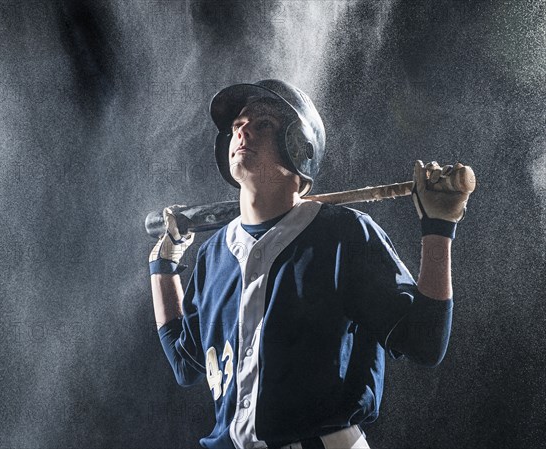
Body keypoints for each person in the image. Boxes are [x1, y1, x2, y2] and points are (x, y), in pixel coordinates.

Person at [149, 79, 470, 449]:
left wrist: (438, 229)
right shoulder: (213, 255)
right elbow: (185, 363)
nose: (243, 131)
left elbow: (426, 343)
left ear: (299, 146)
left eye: (263, 123)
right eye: (237, 126)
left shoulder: (344, 235)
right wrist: (164, 267)